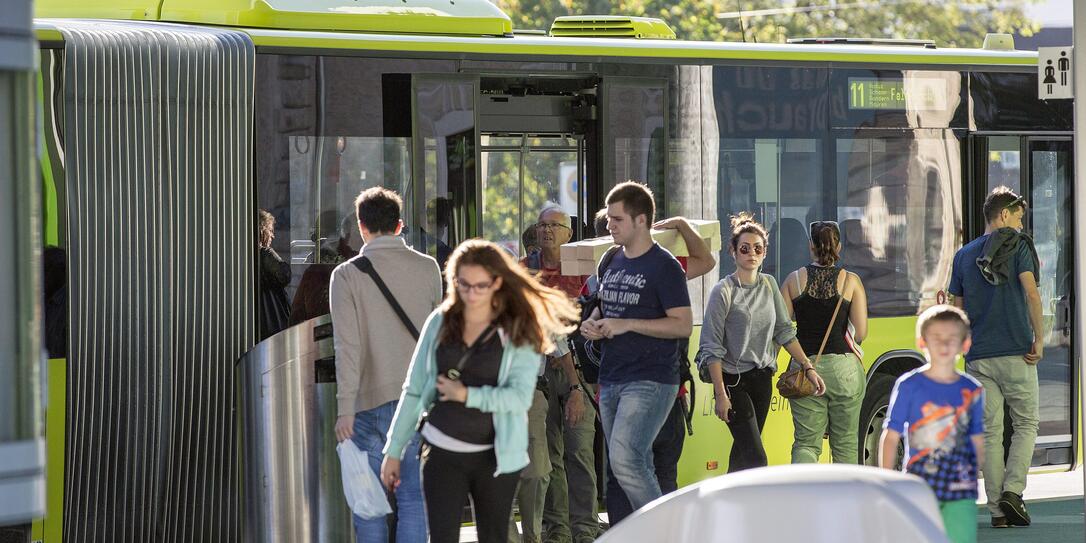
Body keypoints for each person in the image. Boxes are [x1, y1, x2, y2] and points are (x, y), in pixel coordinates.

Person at [381, 240, 580, 543]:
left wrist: (467, 395)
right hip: (442, 450)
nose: (471, 294)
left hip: (496, 456)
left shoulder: (518, 328)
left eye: (480, 286)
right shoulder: (440, 321)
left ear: (497, 283)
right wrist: (393, 450)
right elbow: (414, 389)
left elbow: (519, 397)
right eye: (463, 285)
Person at [330, 187, 443, 543]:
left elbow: (348, 346)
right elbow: (438, 340)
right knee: (413, 498)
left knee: (369, 503)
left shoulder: (346, 275)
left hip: (365, 405)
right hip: (416, 403)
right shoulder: (428, 268)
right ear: (400, 225)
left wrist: (344, 407)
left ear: (361, 227)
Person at [579, 181, 692, 521]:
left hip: (652, 378)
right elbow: (603, 304)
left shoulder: (665, 266)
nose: (609, 225)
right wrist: (595, 323)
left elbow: (682, 324)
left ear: (641, 220)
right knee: (622, 464)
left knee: (628, 459)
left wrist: (627, 324)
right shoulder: (611, 259)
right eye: (610, 218)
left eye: (617, 220)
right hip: (612, 376)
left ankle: (661, 530)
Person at [601, 215, 715, 524]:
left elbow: (705, 262)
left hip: (640, 391)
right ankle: (664, 529)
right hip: (662, 392)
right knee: (656, 468)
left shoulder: (611, 272)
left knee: (625, 469)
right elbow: (705, 261)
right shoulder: (662, 271)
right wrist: (680, 224)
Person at [695, 213, 825, 472]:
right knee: (756, 458)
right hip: (733, 381)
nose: (751, 254)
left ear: (764, 253)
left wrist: (808, 367)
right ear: (733, 251)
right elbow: (711, 347)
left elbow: (785, 331)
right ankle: (753, 510)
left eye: (757, 248)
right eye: (744, 249)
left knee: (743, 454)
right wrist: (720, 394)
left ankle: (728, 509)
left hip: (762, 380)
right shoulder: (724, 291)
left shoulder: (769, 284)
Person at [948, 186, 1043, 528]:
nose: (1020, 223)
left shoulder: (963, 255)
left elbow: (956, 311)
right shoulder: (1019, 247)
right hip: (1017, 352)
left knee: (989, 431)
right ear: (1003, 215)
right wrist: (1040, 339)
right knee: (1025, 424)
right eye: (1018, 216)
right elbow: (1031, 293)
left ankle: (997, 511)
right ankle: (1013, 493)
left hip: (979, 356)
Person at [519, 204, 596, 543]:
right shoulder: (522, 270)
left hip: (575, 368)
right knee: (548, 454)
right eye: (542, 225)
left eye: (555, 225)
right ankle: (558, 528)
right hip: (538, 374)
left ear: (569, 234)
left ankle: (585, 527)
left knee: (579, 449)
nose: (547, 230)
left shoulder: (584, 268)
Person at [880, 305, 984, 543]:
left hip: (961, 488)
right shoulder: (908, 385)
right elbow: (891, 434)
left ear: (964, 344)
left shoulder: (973, 390)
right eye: (937, 338)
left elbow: (977, 438)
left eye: (952, 338)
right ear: (922, 342)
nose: (945, 344)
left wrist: (973, 477)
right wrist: (888, 480)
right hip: (920, 484)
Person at [782, 220, 868, 464]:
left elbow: (781, 328)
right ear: (838, 246)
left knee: (806, 443)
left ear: (810, 246)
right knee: (846, 444)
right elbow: (861, 331)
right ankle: (846, 500)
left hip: (804, 367)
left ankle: (803, 499)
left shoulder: (793, 281)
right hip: (845, 371)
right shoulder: (851, 281)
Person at [258, 209, 291, 340]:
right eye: (270, 230)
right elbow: (285, 275)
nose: (273, 236)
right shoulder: (265, 254)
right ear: (261, 230)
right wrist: (269, 252)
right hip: (271, 324)